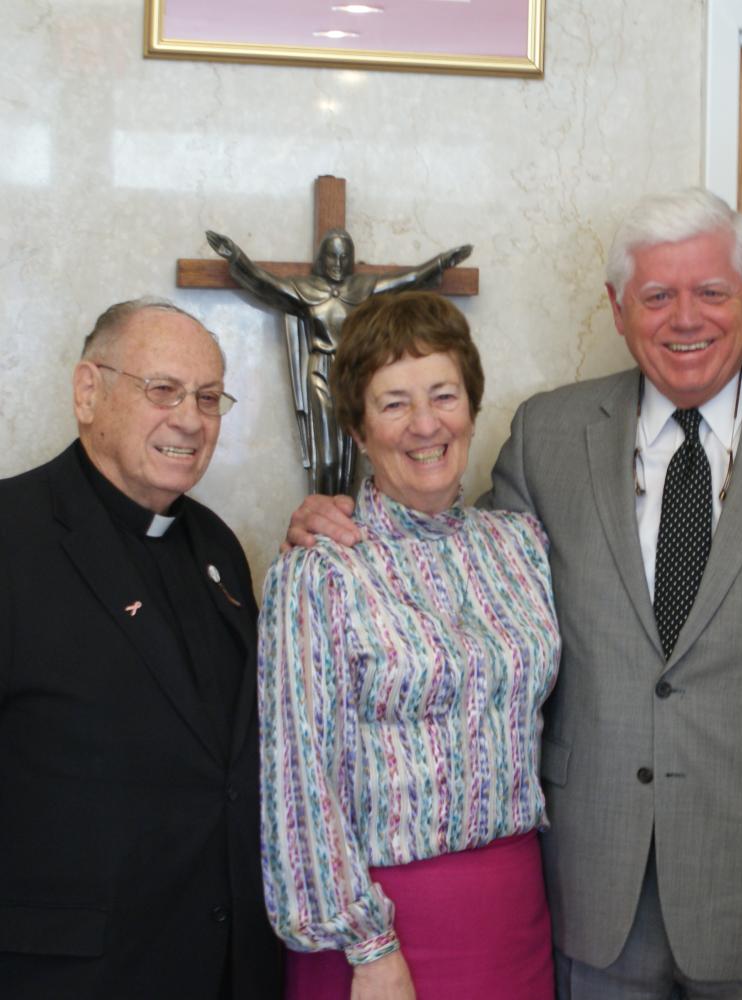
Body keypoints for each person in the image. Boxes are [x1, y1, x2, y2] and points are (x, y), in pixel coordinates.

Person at [289, 189, 742, 999]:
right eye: (657, 296)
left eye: (711, 293)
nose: (684, 318)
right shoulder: (550, 434)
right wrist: (336, 512)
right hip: (587, 893)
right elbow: (456, 582)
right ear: (619, 309)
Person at [258, 291, 560, 999]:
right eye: (394, 403)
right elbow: (299, 779)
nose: (425, 425)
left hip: (516, 907)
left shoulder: (521, 544)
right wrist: (368, 945)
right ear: (358, 430)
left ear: (473, 408)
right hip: (383, 925)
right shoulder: (320, 568)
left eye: (443, 395)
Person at [0, 298, 281, 997]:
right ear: (88, 391)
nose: (190, 418)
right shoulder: (11, 534)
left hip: (227, 964)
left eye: (209, 397)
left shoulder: (216, 543)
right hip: (72, 971)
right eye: (163, 390)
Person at [206, 227, 471, 495]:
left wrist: (442, 262)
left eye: (344, 257)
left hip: (353, 378)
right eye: (332, 257)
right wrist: (236, 257)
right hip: (320, 371)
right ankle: (324, 506)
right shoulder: (307, 290)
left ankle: (345, 510)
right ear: (322, 259)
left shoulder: (363, 289)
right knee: (329, 459)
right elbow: (265, 283)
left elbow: (408, 280)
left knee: (353, 460)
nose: (338, 263)